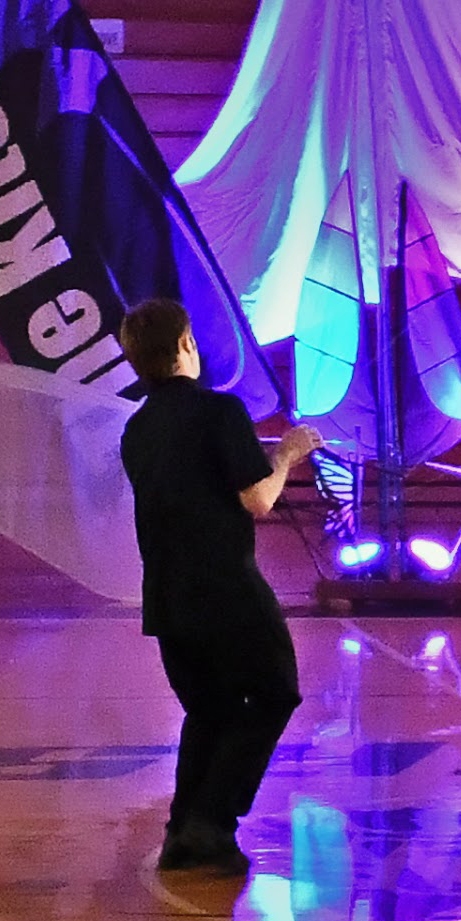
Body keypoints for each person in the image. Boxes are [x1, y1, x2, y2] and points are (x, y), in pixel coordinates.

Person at [116, 298, 322, 875]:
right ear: (185, 345)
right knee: (276, 692)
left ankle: (185, 833)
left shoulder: (136, 430)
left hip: (165, 599)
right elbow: (257, 498)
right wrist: (288, 452)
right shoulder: (218, 411)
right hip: (225, 590)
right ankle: (210, 819)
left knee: (208, 711)